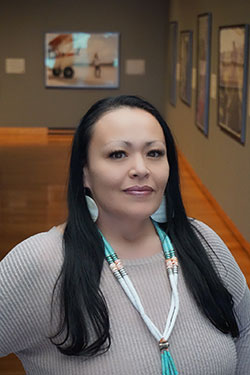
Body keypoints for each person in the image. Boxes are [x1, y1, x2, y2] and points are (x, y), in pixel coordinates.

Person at [0, 95, 250, 375]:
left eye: (154, 153)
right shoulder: (43, 261)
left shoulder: (203, 242)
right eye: (118, 154)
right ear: (84, 172)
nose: (141, 169)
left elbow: (246, 332)